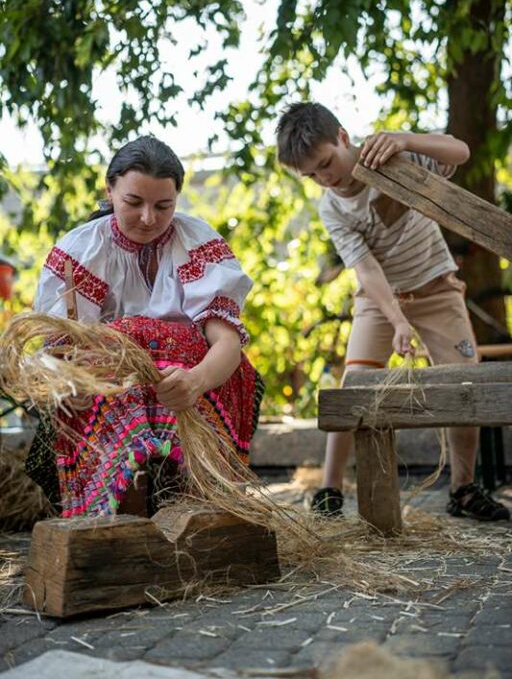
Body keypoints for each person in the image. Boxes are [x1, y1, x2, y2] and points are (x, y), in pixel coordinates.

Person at [276, 102, 510, 522]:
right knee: (354, 384)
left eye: (326, 163)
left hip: (436, 286)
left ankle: (462, 488)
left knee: (464, 380)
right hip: (379, 299)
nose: (325, 178)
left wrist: (404, 139)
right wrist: (398, 319)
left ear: (344, 137)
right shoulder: (333, 208)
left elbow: (459, 152)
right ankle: (329, 488)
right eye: (311, 175)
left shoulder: (390, 156)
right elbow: (366, 269)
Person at [26, 136, 263, 518]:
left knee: (158, 340)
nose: (149, 218)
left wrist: (196, 381)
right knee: (116, 347)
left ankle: (200, 508)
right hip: (107, 385)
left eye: (164, 205)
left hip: (192, 381)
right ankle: (118, 515)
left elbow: (227, 342)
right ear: (110, 191)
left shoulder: (198, 243)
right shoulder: (78, 252)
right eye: (133, 203)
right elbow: (59, 350)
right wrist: (71, 385)